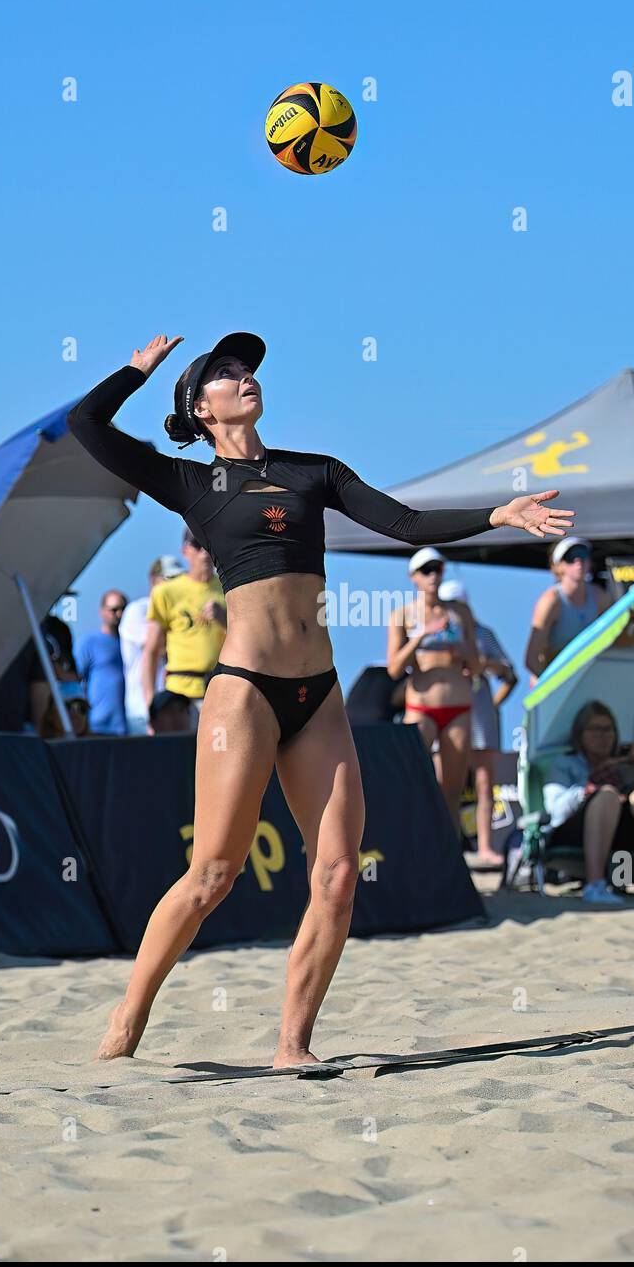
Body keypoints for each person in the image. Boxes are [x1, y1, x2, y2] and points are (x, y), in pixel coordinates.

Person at [68, 331, 574, 1066]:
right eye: (225, 374)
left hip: (320, 694)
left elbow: (403, 524)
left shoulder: (315, 472)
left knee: (338, 875)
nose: (244, 378)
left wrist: (498, 515)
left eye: (246, 369)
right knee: (213, 874)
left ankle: (292, 1043)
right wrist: (138, 372)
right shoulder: (190, 483)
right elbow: (88, 426)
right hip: (244, 692)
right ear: (200, 408)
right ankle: (128, 1016)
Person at [543, 700, 634, 906]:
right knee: (606, 796)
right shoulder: (565, 763)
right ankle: (595, 884)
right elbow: (556, 809)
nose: (603, 736)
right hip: (575, 831)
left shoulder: (623, 763)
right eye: (596, 729)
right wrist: (586, 791)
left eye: (608, 730)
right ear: (580, 734)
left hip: (623, 833)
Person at [387, 550, 478, 830]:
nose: (433, 576)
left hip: (457, 706)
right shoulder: (402, 614)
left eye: (437, 569)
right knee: (409, 782)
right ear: (413, 577)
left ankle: (451, 855)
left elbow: (474, 665)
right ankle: (409, 847)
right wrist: (421, 636)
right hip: (421, 706)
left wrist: (462, 650)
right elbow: (394, 668)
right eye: (426, 570)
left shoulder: (459, 612)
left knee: (452, 790)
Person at [437, 579, 517, 867]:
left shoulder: (483, 633)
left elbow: (510, 674)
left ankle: (484, 846)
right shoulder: (435, 632)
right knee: (444, 784)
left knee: (484, 785)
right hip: (446, 712)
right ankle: (445, 846)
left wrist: (492, 705)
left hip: (479, 714)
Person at [140, 529, 226, 728]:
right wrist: (151, 704)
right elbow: (151, 651)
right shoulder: (166, 592)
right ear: (185, 550)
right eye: (197, 544)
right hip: (178, 698)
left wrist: (225, 619)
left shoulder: (230, 589)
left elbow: (249, 643)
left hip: (220, 694)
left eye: (209, 544)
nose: (204, 551)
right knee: (179, 757)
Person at [525, 537, 612, 686]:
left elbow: (614, 639)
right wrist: (553, 685)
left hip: (588, 680)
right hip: (557, 685)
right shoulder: (551, 601)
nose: (578, 561)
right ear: (558, 566)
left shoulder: (599, 597)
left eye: (583, 554)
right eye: (570, 557)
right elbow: (531, 659)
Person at [120, 555, 183, 735]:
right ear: (153, 580)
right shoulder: (136, 610)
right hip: (141, 709)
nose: (176, 585)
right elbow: (158, 644)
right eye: (170, 579)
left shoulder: (175, 612)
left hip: (173, 707)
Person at [77, 591, 129, 734]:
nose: (119, 614)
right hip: (99, 726)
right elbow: (76, 681)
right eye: (114, 609)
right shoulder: (89, 642)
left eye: (123, 609)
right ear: (102, 612)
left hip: (129, 725)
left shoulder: (131, 643)